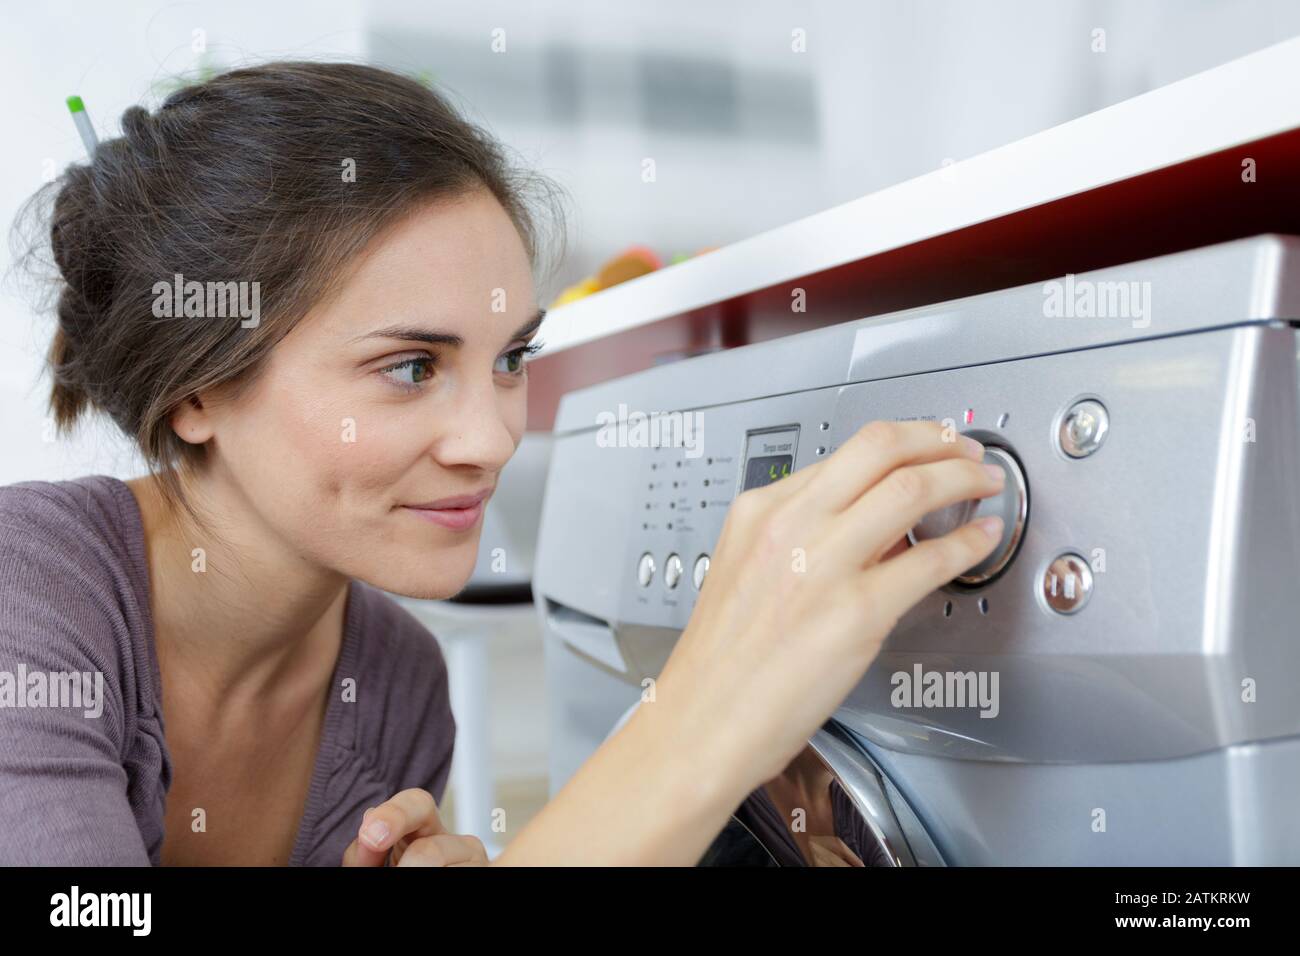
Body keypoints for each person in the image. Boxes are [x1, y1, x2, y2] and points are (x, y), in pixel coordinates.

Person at [0, 61, 1004, 866]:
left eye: (511, 359)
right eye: (408, 365)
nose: (489, 437)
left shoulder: (396, 685)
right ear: (197, 390)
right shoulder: (30, 598)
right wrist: (705, 714)